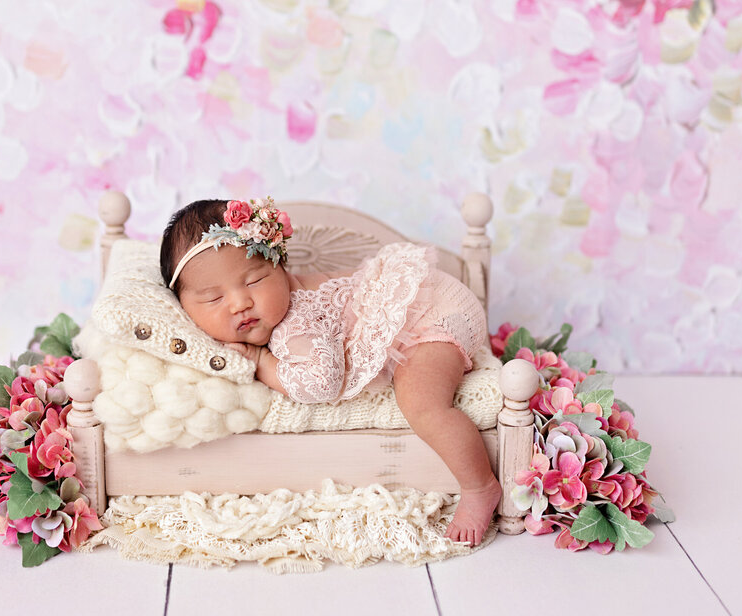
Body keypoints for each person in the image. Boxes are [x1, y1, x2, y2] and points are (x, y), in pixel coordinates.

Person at [159, 196, 502, 546]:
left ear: (280, 267)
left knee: (422, 404)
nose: (239, 302)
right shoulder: (259, 308)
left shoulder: (297, 321)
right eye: (214, 299)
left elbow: (322, 383)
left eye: (254, 281)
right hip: (428, 298)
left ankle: (480, 486)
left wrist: (262, 362)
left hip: (433, 312)